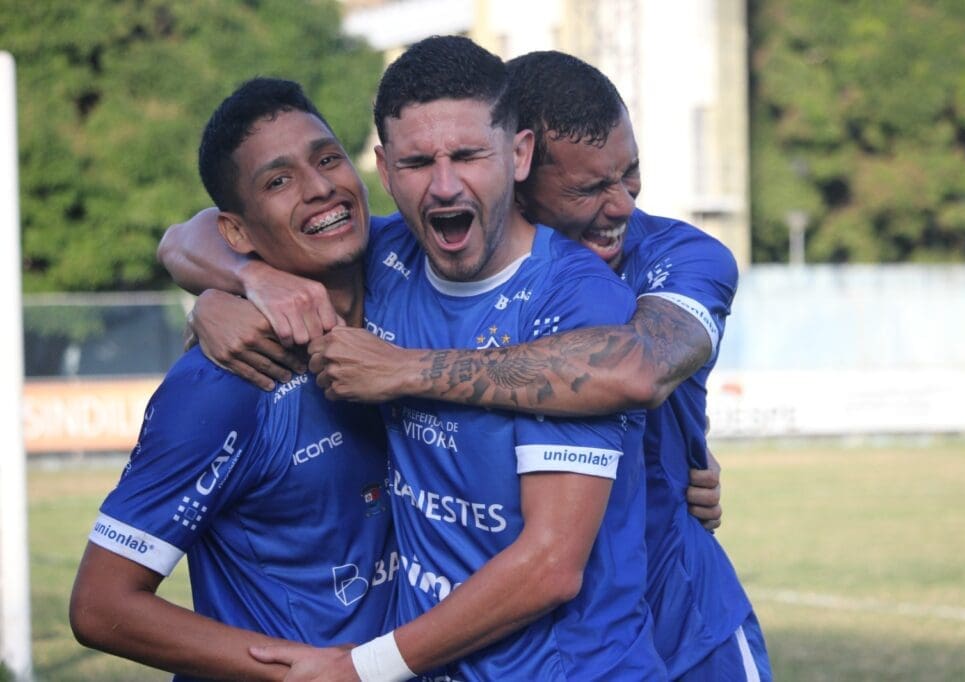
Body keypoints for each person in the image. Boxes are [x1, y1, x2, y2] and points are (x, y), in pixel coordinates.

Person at [300, 51, 771, 681]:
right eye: (589, 187)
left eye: (630, 175)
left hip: (685, 618)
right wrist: (235, 283)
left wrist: (407, 370)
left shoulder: (681, 255)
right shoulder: (418, 250)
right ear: (520, 172)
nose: (623, 204)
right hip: (535, 628)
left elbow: (639, 369)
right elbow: (228, 231)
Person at [68, 78, 396, 681]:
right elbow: (101, 605)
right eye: (279, 181)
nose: (320, 187)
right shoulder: (223, 385)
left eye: (327, 159)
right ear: (238, 233)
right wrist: (302, 671)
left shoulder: (410, 271)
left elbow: (182, 240)